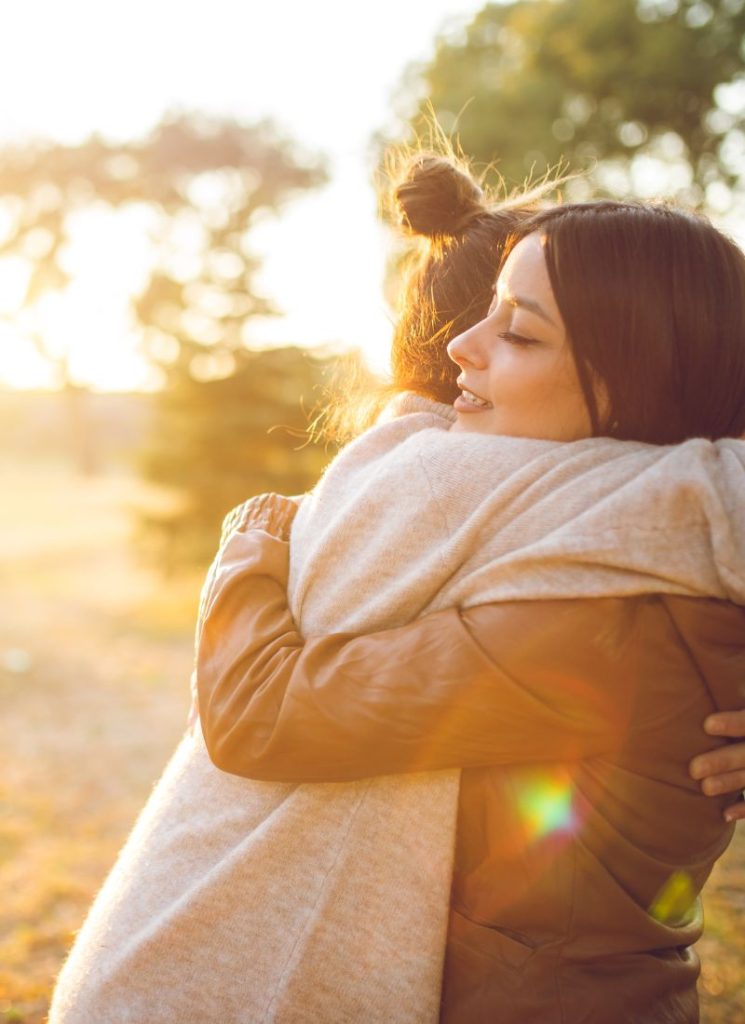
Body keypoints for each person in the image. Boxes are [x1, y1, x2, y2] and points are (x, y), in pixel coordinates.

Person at [49, 158, 745, 1024]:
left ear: (635, 387)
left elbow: (263, 714)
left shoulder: (602, 628)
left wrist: (253, 540)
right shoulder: (620, 562)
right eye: (483, 313)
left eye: (519, 334)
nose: (462, 348)